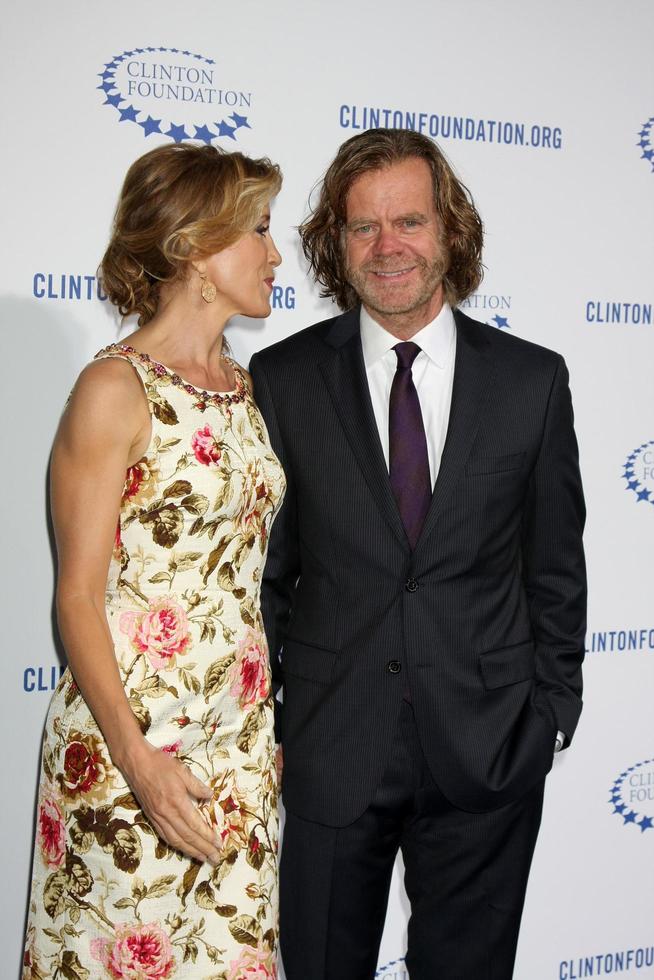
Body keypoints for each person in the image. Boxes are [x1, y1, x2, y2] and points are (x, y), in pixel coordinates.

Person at [250, 128, 586, 980]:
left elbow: (554, 566)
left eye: (409, 221)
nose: (388, 246)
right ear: (336, 243)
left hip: (488, 749)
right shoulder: (282, 380)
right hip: (333, 747)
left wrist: (550, 711)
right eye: (363, 227)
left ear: (450, 232)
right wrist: (278, 717)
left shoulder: (531, 381)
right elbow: (266, 575)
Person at [23, 143, 285, 980]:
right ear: (197, 250)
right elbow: (77, 597)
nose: (276, 255)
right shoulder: (114, 389)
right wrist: (138, 759)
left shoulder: (241, 388)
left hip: (239, 754)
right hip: (131, 753)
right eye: (260, 231)